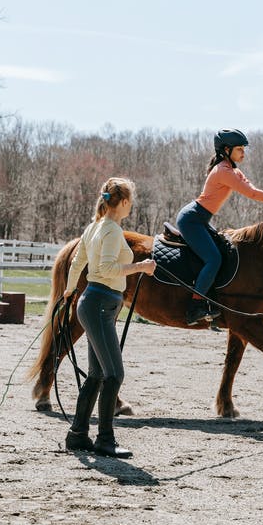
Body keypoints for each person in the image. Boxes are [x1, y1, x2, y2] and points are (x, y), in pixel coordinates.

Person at [62, 177, 156, 458]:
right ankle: (105, 439)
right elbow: (105, 268)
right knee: (114, 374)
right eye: (131, 201)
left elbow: (78, 262)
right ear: (124, 202)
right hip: (101, 303)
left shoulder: (94, 227)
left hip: (92, 302)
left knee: (97, 374)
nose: (131, 206)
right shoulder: (112, 230)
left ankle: (78, 434)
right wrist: (141, 266)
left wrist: (69, 291)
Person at [176, 129, 263, 325]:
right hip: (192, 219)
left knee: (221, 254)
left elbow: (253, 189)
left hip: (200, 218)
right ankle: (195, 305)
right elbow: (252, 194)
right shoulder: (223, 171)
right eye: (239, 149)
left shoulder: (233, 170)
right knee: (213, 259)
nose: (243, 153)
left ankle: (211, 300)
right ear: (226, 150)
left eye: (244, 149)